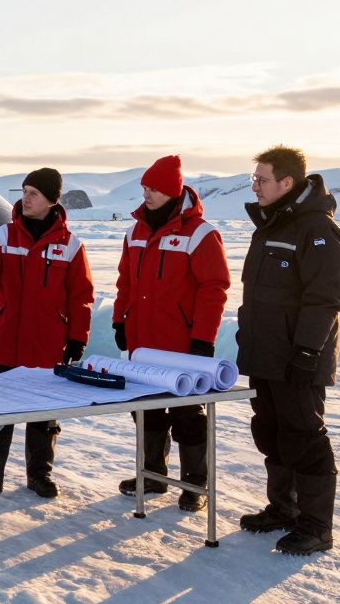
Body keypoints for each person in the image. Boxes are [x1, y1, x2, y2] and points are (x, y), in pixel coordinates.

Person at [236, 145, 340, 555]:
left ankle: (317, 526)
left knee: (305, 438)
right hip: (266, 354)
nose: (256, 187)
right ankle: (283, 509)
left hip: (298, 358)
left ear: (287, 183)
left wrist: (307, 352)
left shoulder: (315, 229)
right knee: (271, 432)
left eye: (262, 180)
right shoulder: (272, 225)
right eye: (254, 179)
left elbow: (325, 298)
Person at [0, 167, 94, 500]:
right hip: (6, 342)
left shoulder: (70, 246)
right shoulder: (3, 236)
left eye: (34, 193)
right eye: (24, 191)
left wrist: (77, 337)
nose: (26, 198)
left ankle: (40, 475)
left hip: (46, 345)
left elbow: (81, 296)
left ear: (52, 200)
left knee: (43, 416)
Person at [112, 155, 230, 511]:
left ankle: (195, 484)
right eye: (145, 188)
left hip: (181, 344)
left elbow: (214, 288)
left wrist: (204, 338)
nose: (147, 195)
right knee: (145, 409)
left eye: (155, 189)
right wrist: (120, 320)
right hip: (143, 341)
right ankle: (152, 474)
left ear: (174, 191)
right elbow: (125, 283)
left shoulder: (199, 233)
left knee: (187, 414)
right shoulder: (135, 231)